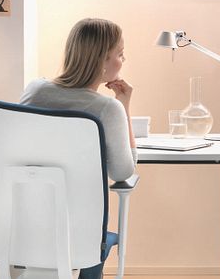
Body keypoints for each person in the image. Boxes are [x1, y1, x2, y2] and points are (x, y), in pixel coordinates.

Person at [19, 18, 137, 279]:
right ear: (101, 60)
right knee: (94, 234)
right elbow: (123, 171)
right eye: (119, 54)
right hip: (79, 236)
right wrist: (125, 106)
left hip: (21, 228)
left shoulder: (34, 90)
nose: (123, 60)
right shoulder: (107, 108)